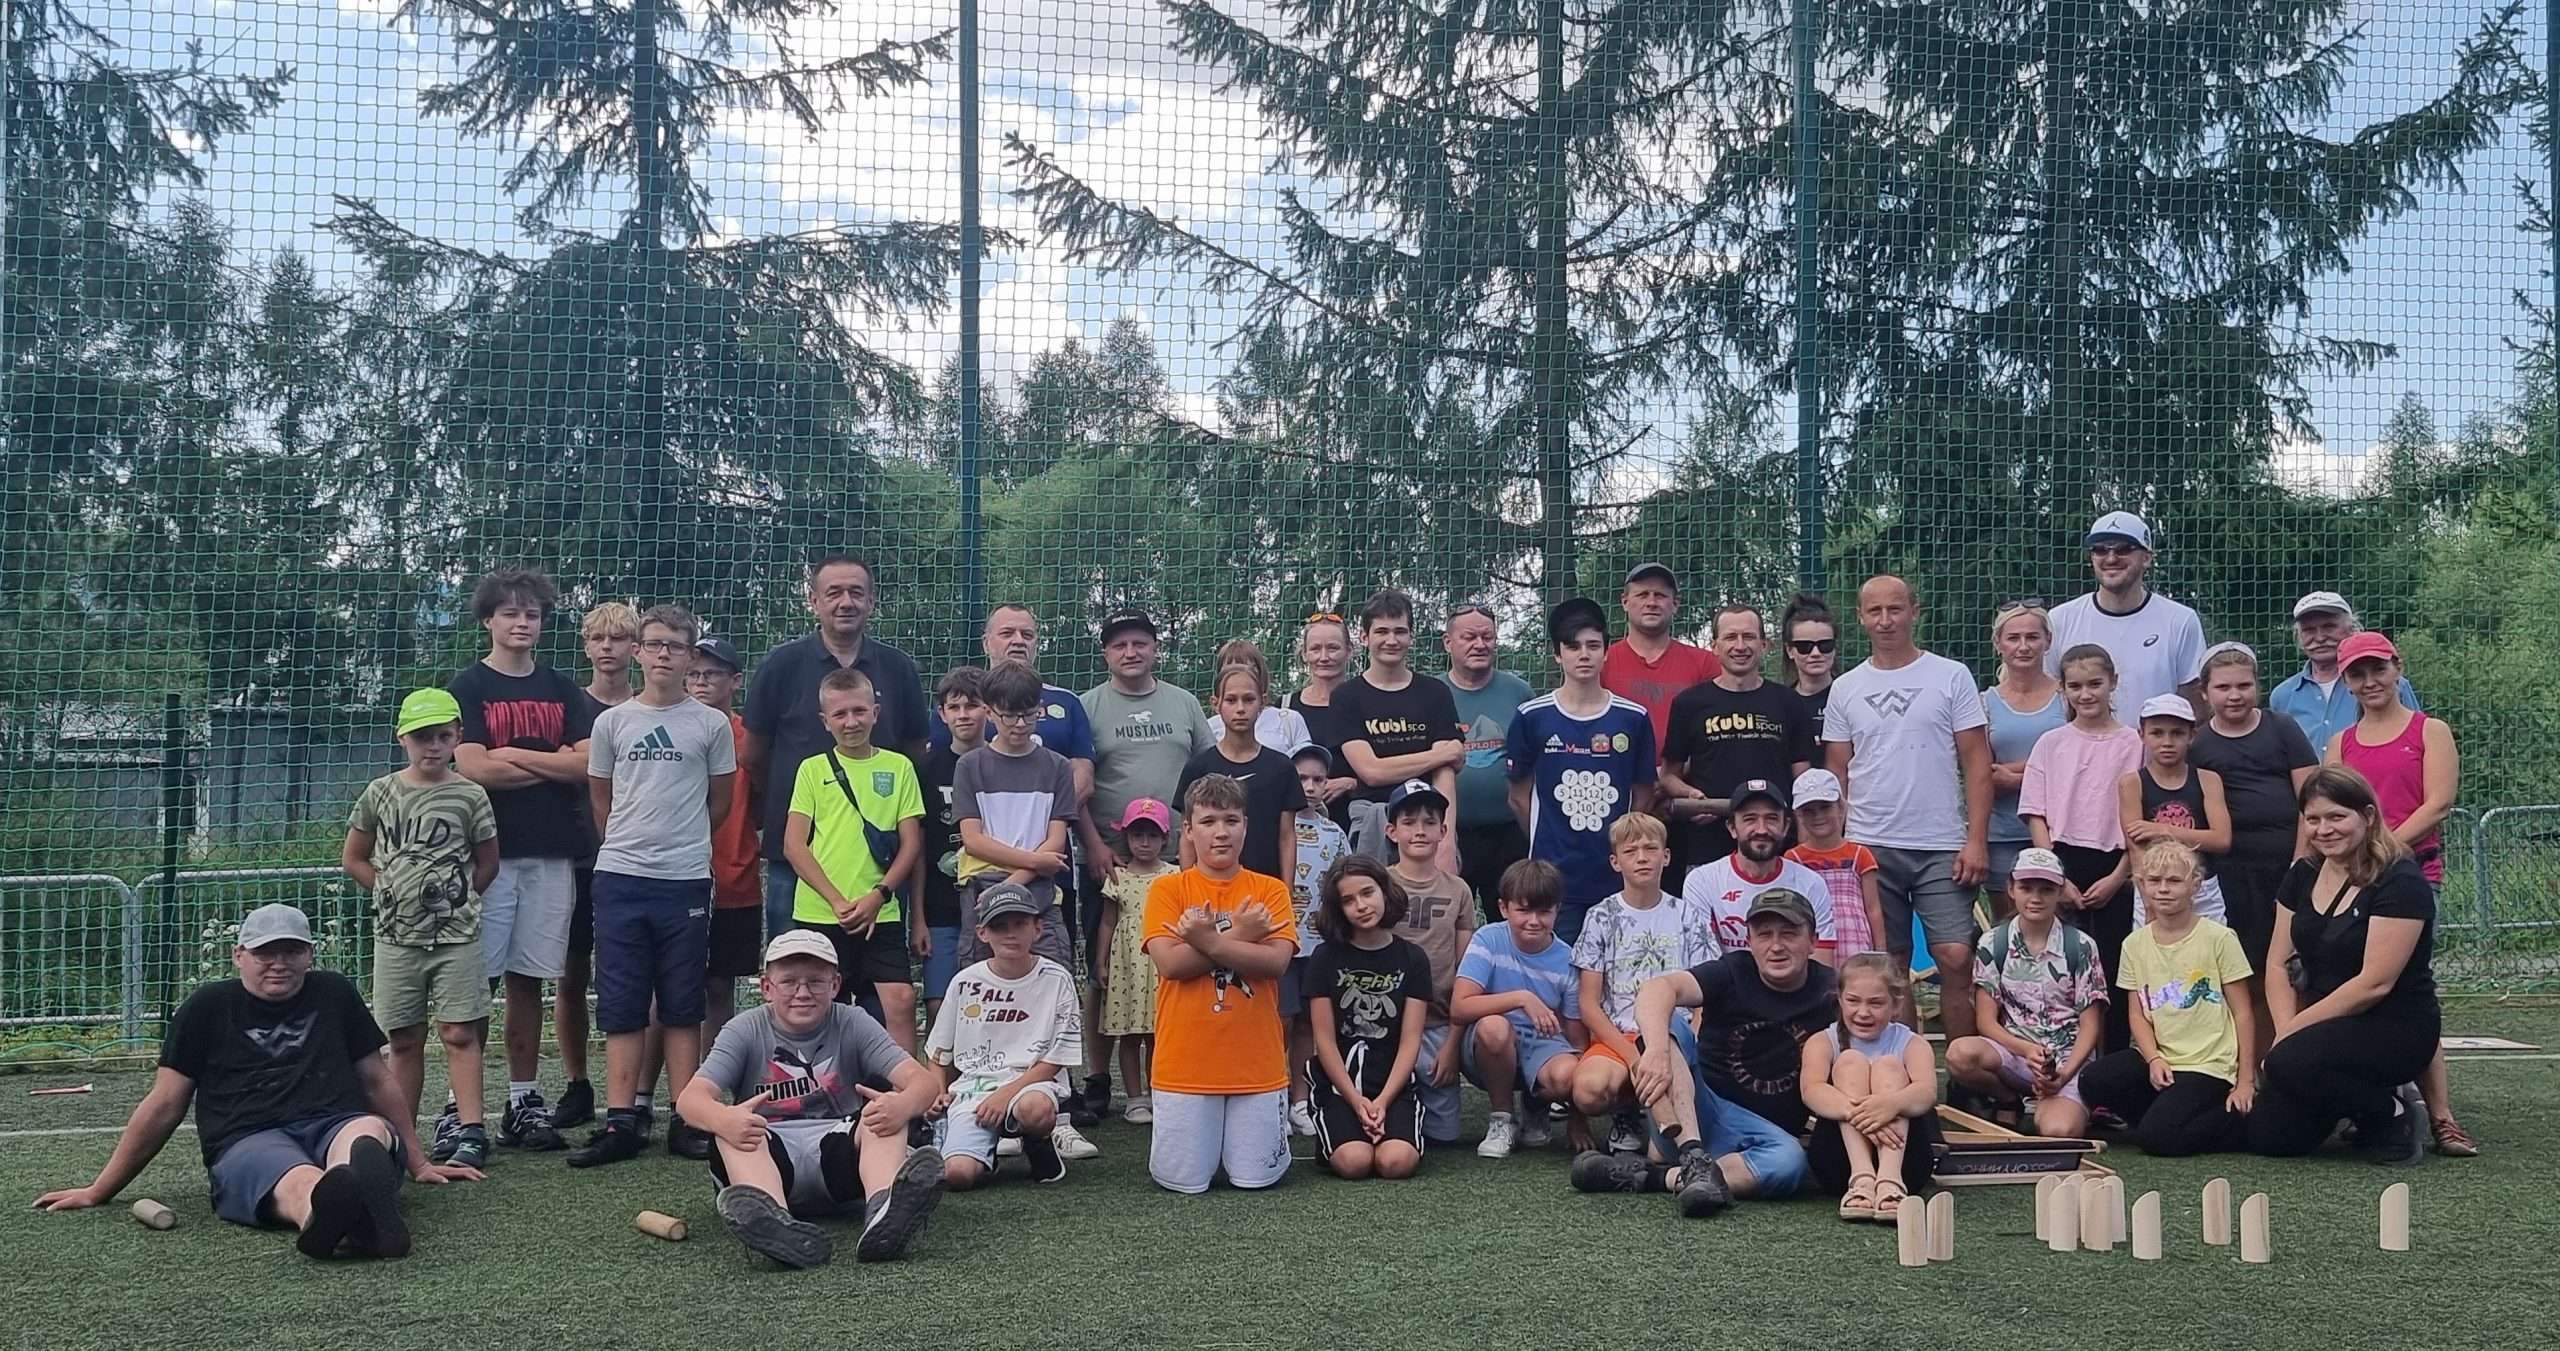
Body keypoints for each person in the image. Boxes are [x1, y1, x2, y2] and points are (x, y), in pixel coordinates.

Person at [34, 905, 480, 1256]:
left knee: (366, 1130)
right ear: (239, 956)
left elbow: (377, 1081)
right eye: (266, 953)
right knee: (300, 1177)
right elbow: (165, 1104)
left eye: (292, 952)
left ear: (310, 955)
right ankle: (335, 1212)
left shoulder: (334, 993)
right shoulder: (205, 1008)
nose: (279, 964)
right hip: (248, 1136)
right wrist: (100, 1189)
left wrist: (419, 1163)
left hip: (333, 1121)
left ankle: (354, 1202)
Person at [572, 605, 738, 1167]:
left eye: (676, 645)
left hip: (685, 879)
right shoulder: (612, 723)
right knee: (622, 999)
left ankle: (686, 1118)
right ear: (638, 652)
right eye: (655, 644)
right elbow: (602, 799)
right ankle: (621, 1121)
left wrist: (680, 842)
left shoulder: (710, 725)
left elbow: (720, 801)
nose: (664, 654)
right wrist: (630, 843)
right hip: (620, 877)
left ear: (690, 657)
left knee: (682, 1001)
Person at [674, 930, 946, 1269]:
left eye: (816, 982)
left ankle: (883, 1211)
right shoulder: (743, 1029)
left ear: (835, 985)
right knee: (732, 1131)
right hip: (768, 1152)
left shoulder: (853, 1021)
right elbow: (690, 1100)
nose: (802, 993)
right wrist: (724, 1119)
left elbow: (923, 1082)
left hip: (839, 1153)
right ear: (766, 987)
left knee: (883, 1114)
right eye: (789, 982)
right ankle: (773, 1221)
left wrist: (901, 1106)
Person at [1575, 887, 1846, 1216]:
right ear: (1749, 940)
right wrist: (1657, 1051)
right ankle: (1692, 1155)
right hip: (1696, 1112)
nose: (1776, 946)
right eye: (1764, 935)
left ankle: (1656, 1176)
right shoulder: (1732, 970)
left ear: (1813, 941)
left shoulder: (1831, 991)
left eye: (1789, 934)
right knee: (1668, 1023)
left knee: (1789, 1163)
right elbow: (1657, 988)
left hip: (1766, 1135)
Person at [446, 568, 595, 1152]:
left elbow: (586, 763)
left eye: (531, 613)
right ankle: (460, 1109)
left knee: (529, 980)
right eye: (510, 613)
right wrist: (546, 760)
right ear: (488, 620)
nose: (522, 623)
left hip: (552, 854)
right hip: (488, 856)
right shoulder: (468, 686)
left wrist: (510, 754)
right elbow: (474, 768)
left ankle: (523, 1100)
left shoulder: (562, 689)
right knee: (474, 984)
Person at [1823, 575, 1993, 1039]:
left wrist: (1976, 840)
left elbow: (1977, 762)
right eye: (1874, 611)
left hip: (1942, 843)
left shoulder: (1951, 676)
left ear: (1914, 612)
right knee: (1890, 968)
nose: (1885, 620)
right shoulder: (1846, 688)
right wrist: (1840, 845)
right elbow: (1837, 771)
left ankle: (1964, 1066)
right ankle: (1906, 1069)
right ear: (1860, 617)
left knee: (1956, 957)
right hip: (1870, 844)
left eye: (1895, 609)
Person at [2323, 630, 2472, 1157]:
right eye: (2357, 674)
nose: (2370, 681)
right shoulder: (2341, 743)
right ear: (2346, 682)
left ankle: (2443, 1117)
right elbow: (2329, 811)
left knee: (2411, 993)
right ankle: (2377, 1108)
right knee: (2356, 988)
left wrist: (2378, 852)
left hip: (2412, 877)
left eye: (2377, 669)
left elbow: (2438, 804)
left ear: (2396, 667)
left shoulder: (2429, 731)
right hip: (2352, 882)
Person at [2248, 767, 2444, 1164]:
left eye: (2337, 817)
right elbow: (2277, 964)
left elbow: (2374, 984)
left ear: (2368, 816)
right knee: (2272, 1139)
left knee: (2288, 1062)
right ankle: (2349, 1099)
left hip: (2395, 1026)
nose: (2324, 830)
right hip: (2323, 1027)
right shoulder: (2302, 875)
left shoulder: (2400, 880)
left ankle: (2392, 1114)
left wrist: (2292, 1036)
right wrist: (2285, 1030)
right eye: (2313, 819)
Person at [340, 689, 500, 1169]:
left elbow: (488, 862)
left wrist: (458, 900)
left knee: (459, 1031)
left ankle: (471, 1130)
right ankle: (400, 1135)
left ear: (458, 738)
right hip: (396, 939)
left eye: (442, 737)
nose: (433, 746)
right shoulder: (380, 792)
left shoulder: (470, 795)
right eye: (422, 737)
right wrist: (388, 891)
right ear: (402, 739)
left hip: (456, 938)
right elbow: (354, 857)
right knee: (403, 1038)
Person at [746, 554, 930, 944]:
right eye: (834, 593)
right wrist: (792, 799)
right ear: (814, 601)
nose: (846, 602)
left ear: (871, 601)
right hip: (796, 856)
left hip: (878, 864)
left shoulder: (898, 668)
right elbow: (754, 755)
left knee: (874, 971)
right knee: (795, 964)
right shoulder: (781, 664)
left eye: (856, 593)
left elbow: (914, 753)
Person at [1082, 605, 1218, 1119]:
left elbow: (1210, 771)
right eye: (1119, 644)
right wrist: (1096, 846)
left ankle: (1179, 1074)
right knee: (1106, 971)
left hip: (1180, 860)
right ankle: (1099, 1077)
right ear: (1106, 653)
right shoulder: (1088, 706)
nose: (1130, 652)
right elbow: (1076, 784)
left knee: (1182, 965)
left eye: (1139, 642)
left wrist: (1197, 847)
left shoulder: (1183, 703)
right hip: (1111, 862)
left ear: (1155, 649)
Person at [1141, 774, 1299, 1194]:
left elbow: (1275, 963)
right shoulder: (1168, 889)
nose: (1221, 832)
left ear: (1246, 826)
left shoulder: (1270, 890)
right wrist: (1242, 933)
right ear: (1188, 830)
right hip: (1184, 1067)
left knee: (1255, 1180)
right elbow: (1171, 964)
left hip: (1257, 1068)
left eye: (1231, 820)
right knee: (1185, 1183)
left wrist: (1207, 939)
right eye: (1208, 821)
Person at [2077, 841, 2257, 1156]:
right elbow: (2137, 1014)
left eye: (2174, 880)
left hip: (2209, 1064)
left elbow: (2243, 1013)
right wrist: (2154, 1058)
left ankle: (2238, 1121)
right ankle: (2166, 1118)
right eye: (2154, 880)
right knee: (2094, 1079)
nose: (2163, 889)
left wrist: (2245, 1082)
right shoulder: (2134, 944)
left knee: (2158, 1140)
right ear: (2141, 885)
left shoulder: (2219, 938)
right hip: (2164, 1058)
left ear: (2195, 886)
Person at [780, 664, 926, 1047]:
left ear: (875, 713)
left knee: (900, 1000)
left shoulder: (899, 767)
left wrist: (879, 896)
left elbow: (911, 844)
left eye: (859, 711)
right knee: (819, 1004)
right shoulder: (811, 770)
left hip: (881, 911)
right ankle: (822, 1079)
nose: (851, 722)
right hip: (821, 912)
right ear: (824, 721)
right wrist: (837, 901)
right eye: (840, 714)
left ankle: (903, 1082)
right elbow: (794, 845)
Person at [1505, 597, 1660, 943]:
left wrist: (1624, 847)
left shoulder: (1633, 718)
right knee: (1559, 966)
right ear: (1558, 655)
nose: (1584, 655)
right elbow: (1517, 796)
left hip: (1616, 876)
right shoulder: (1532, 716)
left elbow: (1643, 793)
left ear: (1606, 652)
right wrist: (1547, 839)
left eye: (1593, 645)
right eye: (1573, 647)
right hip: (1553, 879)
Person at [1568, 812, 1713, 1155]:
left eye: (1651, 849)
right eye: (1631, 851)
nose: (1642, 858)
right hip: (1621, 1037)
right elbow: (1588, 1004)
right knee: (1588, 1089)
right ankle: (1627, 1112)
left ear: (1667, 856)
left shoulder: (1688, 915)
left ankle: (1674, 1136)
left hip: (1674, 1035)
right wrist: (1634, 1057)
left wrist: (1694, 1039)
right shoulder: (1600, 916)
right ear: (1615, 862)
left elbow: (1706, 992)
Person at [925, 882, 1085, 1190]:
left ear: (1037, 928)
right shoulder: (964, 982)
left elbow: (1056, 1059)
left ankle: (1039, 1143)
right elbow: (937, 1054)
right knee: (957, 1176)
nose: (1011, 934)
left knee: (1035, 1109)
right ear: (982, 933)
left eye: (1020, 924)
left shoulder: (1057, 979)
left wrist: (1005, 1094)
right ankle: (983, 1156)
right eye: (999, 926)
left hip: (1031, 1086)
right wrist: (938, 1093)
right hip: (973, 1091)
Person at [2018, 642, 2139, 1043]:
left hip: (2117, 866)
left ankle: (2114, 1060)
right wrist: (2056, 877)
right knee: (2062, 968)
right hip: (2062, 864)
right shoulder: (2050, 743)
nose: (2085, 694)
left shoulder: (2134, 743)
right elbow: (2036, 813)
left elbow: (2141, 821)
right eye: (2075, 686)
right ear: (2063, 689)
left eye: (2094, 684)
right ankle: (2062, 1057)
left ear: (2112, 683)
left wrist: (2120, 877)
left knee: (2115, 967)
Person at [2189, 643, 2318, 1012]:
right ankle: (2254, 1047)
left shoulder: (2282, 728)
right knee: (2247, 970)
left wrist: (2300, 864)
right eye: (2223, 687)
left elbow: (2312, 800)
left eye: (2243, 686)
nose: (2235, 695)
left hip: (2289, 868)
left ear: (2257, 686)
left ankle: (2300, 1041)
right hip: (2231, 877)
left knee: (2298, 966)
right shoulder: (2199, 744)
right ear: (2204, 693)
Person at [1944, 847, 2107, 1137]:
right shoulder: (1992, 943)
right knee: (1960, 1054)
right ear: (2011, 889)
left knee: (2059, 1131)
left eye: (2046, 890)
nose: (2035, 898)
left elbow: (2091, 1025)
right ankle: (2008, 1098)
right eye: (2026, 888)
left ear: (2060, 892)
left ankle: (2058, 1099)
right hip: (2015, 1053)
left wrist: (2063, 1075)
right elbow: (1986, 1021)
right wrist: (2026, 1049)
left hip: (2067, 1058)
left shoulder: (2082, 946)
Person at [1658, 604, 1818, 873]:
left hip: (1775, 846)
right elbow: (1668, 776)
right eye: (1731, 637)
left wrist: (1804, 839)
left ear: (1764, 644)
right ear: (1714, 646)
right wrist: (1691, 796)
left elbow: (1803, 779)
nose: (1740, 646)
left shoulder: (1789, 702)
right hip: (1708, 848)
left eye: (1749, 637)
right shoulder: (1689, 703)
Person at [1303, 857, 1434, 1180]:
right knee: (1355, 1162)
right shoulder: (1324, 958)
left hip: (1392, 1080)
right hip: (1340, 1083)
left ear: (1385, 892)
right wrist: (1356, 1100)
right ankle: (1338, 1135)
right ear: (1338, 909)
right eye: (1348, 900)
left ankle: (1389, 1124)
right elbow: (1324, 1041)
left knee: (1396, 1162)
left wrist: (1383, 1101)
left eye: (1367, 893)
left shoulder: (1413, 958)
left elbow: (1411, 1040)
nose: (1361, 906)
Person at [559, 601, 639, 1129]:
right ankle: (576, 1083)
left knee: (630, 978)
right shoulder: (569, 703)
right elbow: (565, 767)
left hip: (633, 859)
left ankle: (635, 1093)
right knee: (569, 973)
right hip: (573, 853)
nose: (607, 648)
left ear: (636, 647)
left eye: (618, 639)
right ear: (586, 645)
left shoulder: (650, 706)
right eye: (598, 639)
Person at [951, 661, 1081, 981]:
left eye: (1029, 714)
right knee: (981, 983)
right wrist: (1034, 862)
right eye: (1010, 715)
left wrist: (1015, 881)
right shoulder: (970, 766)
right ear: (989, 712)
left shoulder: (1057, 767)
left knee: (1053, 981)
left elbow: (1055, 839)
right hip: (984, 886)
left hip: (1039, 889)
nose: (1020, 724)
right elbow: (973, 840)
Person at [1454, 858, 1586, 1158]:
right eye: (1523, 910)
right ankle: (1502, 1118)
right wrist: (1522, 998)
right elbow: (1459, 1007)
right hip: (1489, 1044)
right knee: (1495, 1027)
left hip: (1542, 1043)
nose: (1534, 921)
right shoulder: (1488, 939)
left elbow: (1578, 1041)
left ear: (1557, 910)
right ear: (1503, 908)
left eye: (1544, 911)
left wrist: (1578, 1120)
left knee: (1569, 1074)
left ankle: (1535, 1103)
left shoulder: (1567, 959)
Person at [1800, 953, 1939, 1222]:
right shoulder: (1822, 1041)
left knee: (1889, 1065)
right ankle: (1862, 1178)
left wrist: (1891, 1105)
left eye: (1876, 1003)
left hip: (1907, 1165)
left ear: (1896, 1005)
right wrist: (1863, 1114)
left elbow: (1927, 1092)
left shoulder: (1913, 1043)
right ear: (1840, 1000)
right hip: (1838, 1165)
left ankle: (1889, 1179)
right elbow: (1811, 1090)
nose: (1863, 1012)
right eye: (1853, 1001)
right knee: (1850, 1061)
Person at [1381, 778, 1479, 1148]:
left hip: (1439, 1022)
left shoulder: (1458, 889)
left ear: (1443, 831)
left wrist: (1452, 1042)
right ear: (1392, 832)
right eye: (1409, 822)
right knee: (1390, 1126)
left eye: (1429, 822)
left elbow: (1465, 968)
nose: (1419, 831)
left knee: (1444, 1137)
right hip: (1386, 1021)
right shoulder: (1379, 884)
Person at [1334, 590, 1465, 865]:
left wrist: (1446, 841)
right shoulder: (1346, 696)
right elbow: (1371, 772)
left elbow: (1444, 775)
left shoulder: (1435, 692)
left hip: (1428, 819)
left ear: (1411, 637)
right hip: (1372, 818)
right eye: (1382, 631)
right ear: (1364, 637)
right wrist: (1440, 754)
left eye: (1400, 632)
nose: (1391, 640)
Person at [2044, 511, 2207, 718]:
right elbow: (2048, 696)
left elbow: (2195, 705)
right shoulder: (2060, 619)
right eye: (2100, 550)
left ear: (2146, 558)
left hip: (2154, 740)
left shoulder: (2180, 620)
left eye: (2123, 549)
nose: (2111, 558)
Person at [689, 637, 762, 1043]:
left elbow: (765, 804)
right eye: (694, 674)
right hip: (676, 875)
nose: (701, 682)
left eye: (712, 674)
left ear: (735, 681)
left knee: (720, 984)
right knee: (670, 984)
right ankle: (659, 1078)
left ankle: (713, 1071)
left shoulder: (750, 737)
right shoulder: (670, 727)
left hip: (735, 878)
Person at [1175, 661, 1304, 883]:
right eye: (1231, 700)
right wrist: (1188, 889)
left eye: (1249, 699)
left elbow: (1286, 837)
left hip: (1264, 887)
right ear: (1216, 704)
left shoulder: (1281, 767)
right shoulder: (1198, 767)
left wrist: (1286, 891)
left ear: (1262, 702)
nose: (1241, 709)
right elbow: (1188, 838)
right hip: (1210, 890)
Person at [1678, 778, 1836, 959]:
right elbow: (1703, 961)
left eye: (1771, 818)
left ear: (1785, 827)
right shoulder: (1702, 881)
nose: (1761, 829)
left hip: (1794, 978)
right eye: (1750, 819)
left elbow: (1820, 960)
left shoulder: (1811, 883)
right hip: (1726, 978)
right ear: (1732, 828)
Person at [1443, 603, 1534, 915]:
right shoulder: (1432, 693)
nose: (1480, 644)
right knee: (1453, 920)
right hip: (1451, 834)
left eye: (1487, 637)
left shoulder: (1519, 693)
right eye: (1469, 637)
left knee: (1514, 917)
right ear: (1448, 642)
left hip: (1510, 833)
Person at [1095, 799, 1179, 1125]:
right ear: (1126, 838)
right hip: (1127, 965)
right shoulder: (1118, 877)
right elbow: (1107, 922)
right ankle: (1135, 1098)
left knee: (1159, 1034)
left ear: (1165, 838)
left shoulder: (1174, 875)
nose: (1145, 843)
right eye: (1137, 835)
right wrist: (1101, 962)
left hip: (1160, 962)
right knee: (1130, 1035)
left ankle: (1160, 1092)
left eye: (1152, 835)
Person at [1981, 600, 2065, 918]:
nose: (2024, 646)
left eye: (2032, 637)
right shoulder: (1985, 703)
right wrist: (2044, 770)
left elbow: (2076, 766)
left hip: (2060, 832)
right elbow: (1984, 775)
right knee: (2009, 925)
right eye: (2014, 638)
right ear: (1998, 644)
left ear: (2048, 641)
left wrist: (2017, 775)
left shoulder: (2068, 698)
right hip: (2002, 834)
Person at [1283, 743, 1352, 1127]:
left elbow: (1346, 885)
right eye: (1301, 778)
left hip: (1320, 947)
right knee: (1280, 1021)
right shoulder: (1274, 824)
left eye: (1318, 779)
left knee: (1310, 1024)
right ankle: (1272, 1096)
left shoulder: (1334, 832)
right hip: (1279, 944)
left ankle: (1300, 1099)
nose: (1309, 786)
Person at [2121, 693, 2233, 926]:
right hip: (2154, 889)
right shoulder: (2132, 783)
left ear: (2192, 735)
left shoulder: (2208, 780)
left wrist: (2162, 830)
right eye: (2157, 733)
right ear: (2142, 735)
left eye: (2177, 733)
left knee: (2209, 947)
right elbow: (2136, 848)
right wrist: (2149, 902)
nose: (2167, 742)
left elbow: (2222, 839)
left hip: (2202, 888)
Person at [917, 666, 990, 1023]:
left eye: (972, 705)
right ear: (942, 714)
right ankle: (939, 1065)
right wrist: (918, 918)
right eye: (954, 707)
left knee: (990, 1002)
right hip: (940, 906)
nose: (964, 715)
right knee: (940, 1004)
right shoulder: (925, 768)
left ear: (989, 709)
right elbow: (917, 848)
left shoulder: (1004, 763)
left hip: (992, 899)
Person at [2272, 592, 2418, 756]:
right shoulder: (2282, 696)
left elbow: (2415, 742)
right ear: (2298, 637)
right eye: (2309, 630)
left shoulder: (2390, 685)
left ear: (2352, 629)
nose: (2319, 638)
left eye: (2329, 626)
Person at [1602, 562, 1718, 753]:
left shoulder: (1705, 663)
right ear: (1625, 602)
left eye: (1660, 595)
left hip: (1688, 771)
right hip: (1617, 769)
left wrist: (1680, 767)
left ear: (1675, 604)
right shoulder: (1602, 662)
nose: (1651, 603)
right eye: (1642, 595)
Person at [1785, 769, 1885, 958]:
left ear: (1840, 807)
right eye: (1809, 811)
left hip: (1856, 947)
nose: (1818, 816)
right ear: (1799, 816)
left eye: (1825, 808)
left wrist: (1880, 953)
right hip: (1813, 946)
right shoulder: (1793, 859)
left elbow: (1873, 909)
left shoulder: (1860, 854)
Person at [1287, 612, 1364, 818]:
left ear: (1349, 651)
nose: (1324, 657)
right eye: (1315, 649)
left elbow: (1385, 767)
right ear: (1304, 654)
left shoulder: (1366, 703)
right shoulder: (1286, 707)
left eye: (1333, 648)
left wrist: (1351, 783)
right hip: (1298, 824)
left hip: (1354, 819)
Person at [1217, 638, 1313, 752]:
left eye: (1249, 668)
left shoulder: (1289, 721)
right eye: (1231, 669)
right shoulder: (1210, 728)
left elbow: (1307, 761)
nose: (1240, 676)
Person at [1779, 594, 1839, 738]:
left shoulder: (1850, 696)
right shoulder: (1781, 703)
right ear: (1789, 650)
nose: (1816, 653)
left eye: (1825, 645)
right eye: (1804, 646)